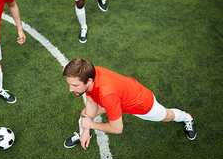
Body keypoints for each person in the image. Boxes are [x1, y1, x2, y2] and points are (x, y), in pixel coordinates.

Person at [63, 58, 197, 149]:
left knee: (167, 116)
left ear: (89, 81)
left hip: (142, 103)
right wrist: (86, 129)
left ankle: (187, 117)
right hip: (120, 96)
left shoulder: (107, 95)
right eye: (70, 84)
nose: (71, 89)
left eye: (75, 85)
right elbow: (91, 101)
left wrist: (91, 124)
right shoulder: (90, 72)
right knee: (85, 114)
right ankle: (84, 135)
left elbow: (117, 129)